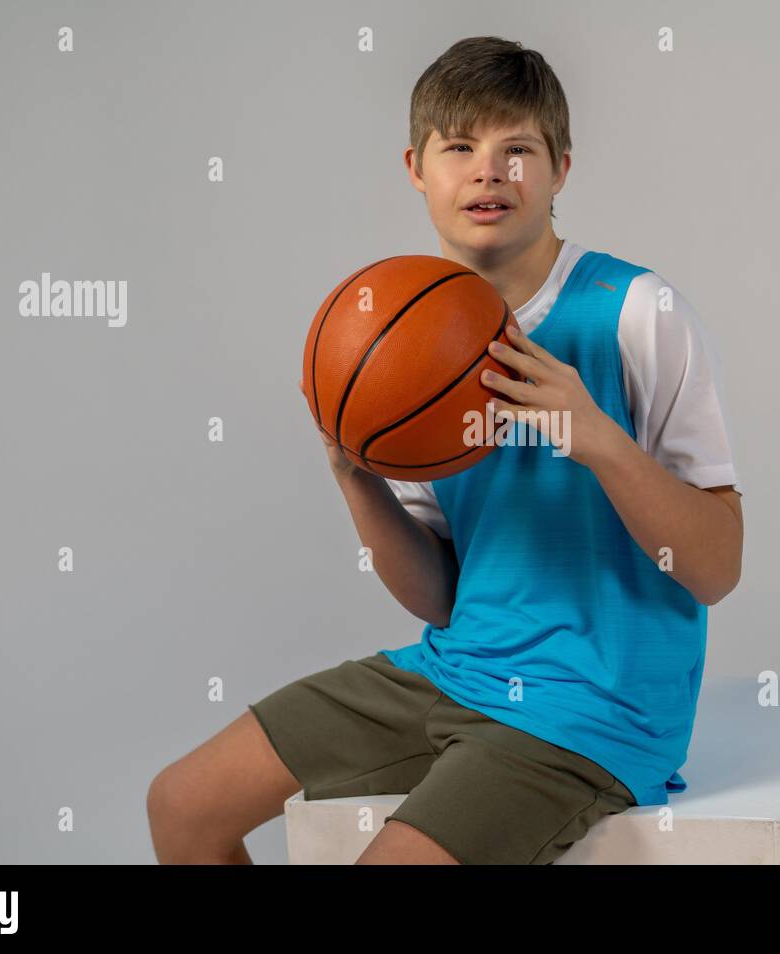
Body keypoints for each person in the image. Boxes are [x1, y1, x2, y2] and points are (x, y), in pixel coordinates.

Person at [147, 35, 744, 865]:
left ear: (561, 170)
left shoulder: (637, 311)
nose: (488, 171)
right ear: (416, 168)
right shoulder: (403, 340)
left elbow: (717, 567)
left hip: (592, 710)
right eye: (459, 147)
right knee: (181, 806)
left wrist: (599, 441)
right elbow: (441, 597)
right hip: (453, 670)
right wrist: (357, 480)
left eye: (518, 150)